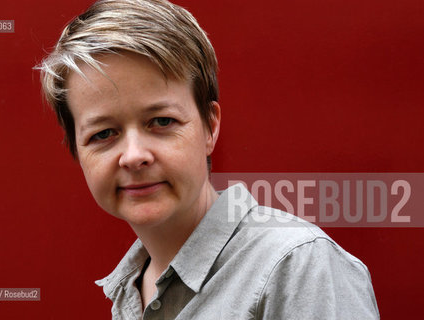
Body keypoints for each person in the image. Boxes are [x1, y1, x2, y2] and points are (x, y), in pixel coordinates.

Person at [37, 0, 380, 318]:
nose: (134, 156)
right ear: (77, 152)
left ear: (209, 128)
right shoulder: (128, 291)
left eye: (161, 122)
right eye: (103, 134)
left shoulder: (297, 266)